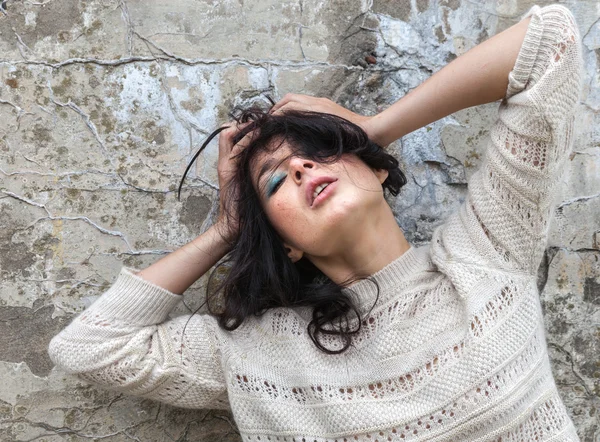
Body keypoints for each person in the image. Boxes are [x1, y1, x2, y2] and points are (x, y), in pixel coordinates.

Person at [49, 4, 583, 440]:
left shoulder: (487, 251)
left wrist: (376, 127)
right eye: (275, 183)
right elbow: (89, 348)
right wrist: (229, 229)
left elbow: (551, 42)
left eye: (318, 150)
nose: (301, 166)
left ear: (376, 170)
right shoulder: (261, 352)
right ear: (286, 245)